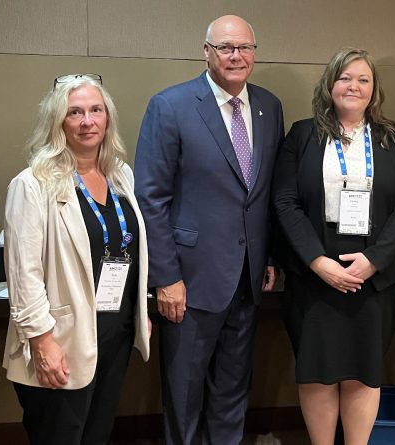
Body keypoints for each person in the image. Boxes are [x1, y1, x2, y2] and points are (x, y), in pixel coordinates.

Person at [134, 15, 284, 445]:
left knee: (234, 387)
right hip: (189, 281)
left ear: (255, 54)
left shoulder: (269, 107)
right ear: (206, 52)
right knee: (184, 392)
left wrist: (268, 256)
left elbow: (265, 192)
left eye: (244, 47)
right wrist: (166, 277)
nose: (236, 56)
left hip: (248, 277)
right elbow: (152, 199)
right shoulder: (171, 105)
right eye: (225, 47)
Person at [272, 47, 395, 445]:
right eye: (345, 77)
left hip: (374, 275)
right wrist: (316, 261)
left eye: (363, 79)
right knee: (317, 370)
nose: (353, 86)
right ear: (330, 84)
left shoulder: (394, 137)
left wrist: (375, 259)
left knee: (364, 370)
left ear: (374, 90)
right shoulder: (303, 135)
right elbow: (284, 201)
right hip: (315, 273)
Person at [3, 74, 150, 445]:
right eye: (75, 113)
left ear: (108, 118)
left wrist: (139, 315)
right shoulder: (33, 184)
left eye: (96, 110)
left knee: (97, 434)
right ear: (58, 122)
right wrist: (42, 341)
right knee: (61, 436)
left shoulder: (120, 175)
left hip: (113, 334)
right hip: (61, 340)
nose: (88, 121)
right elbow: (24, 274)